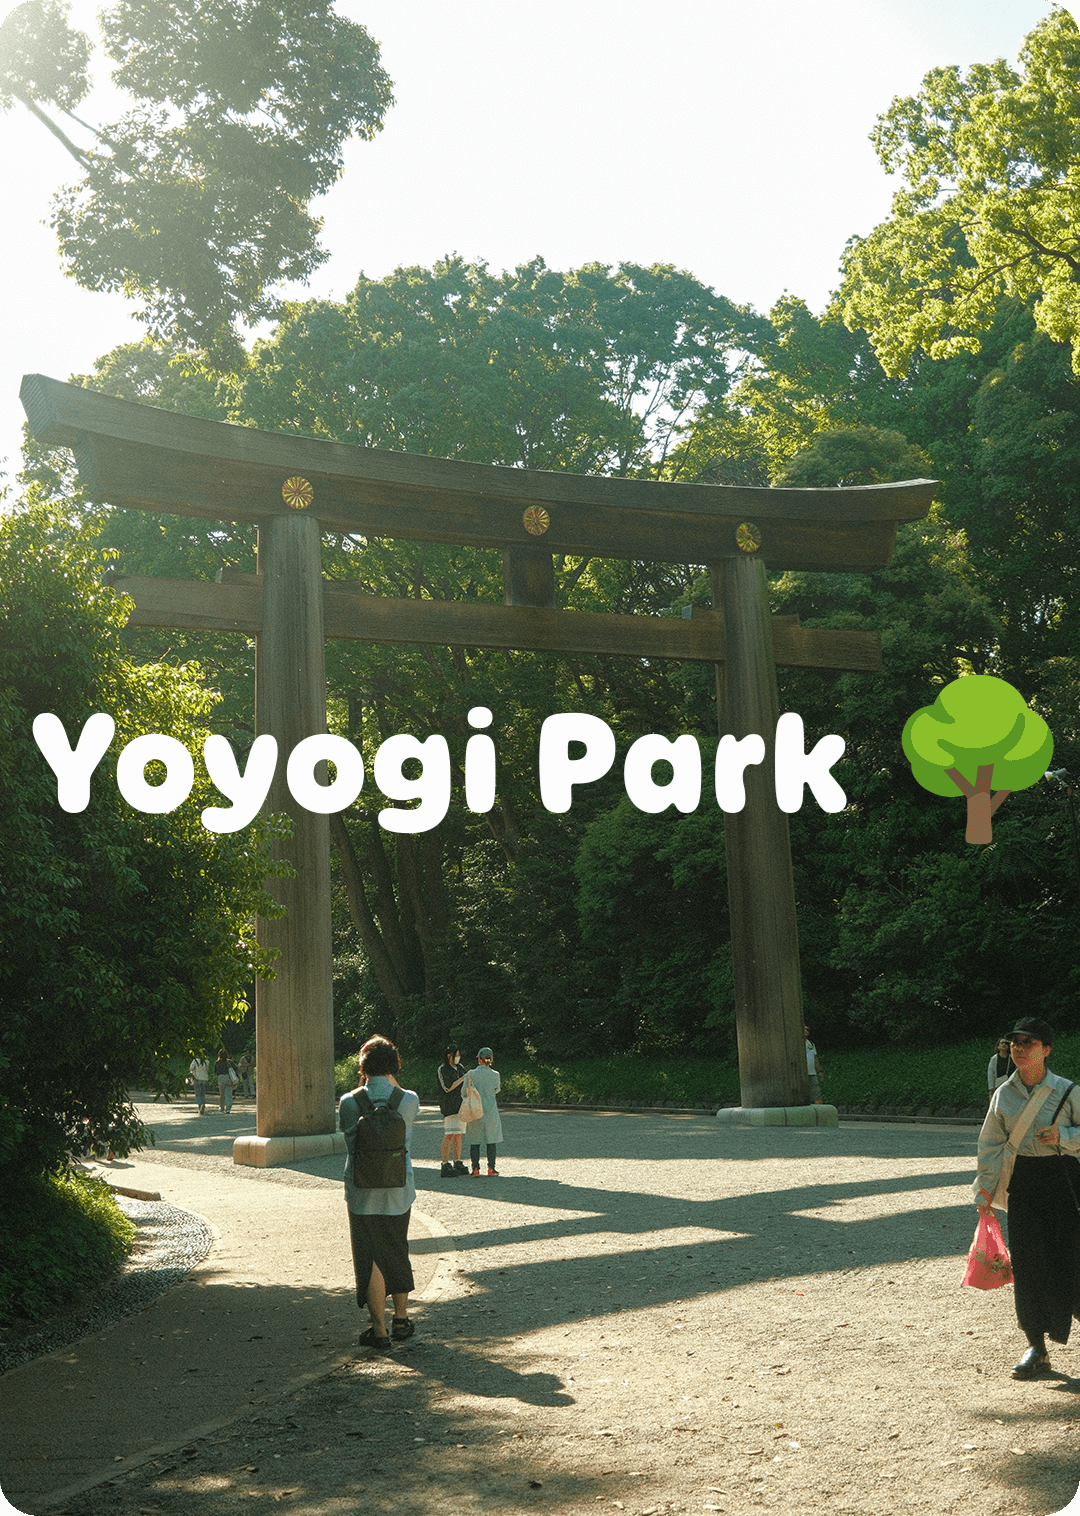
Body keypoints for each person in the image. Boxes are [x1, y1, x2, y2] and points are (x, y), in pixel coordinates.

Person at [974, 1016, 1080, 1379]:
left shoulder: (1068, 1091)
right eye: (1015, 1043)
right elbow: (991, 1142)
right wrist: (985, 1189)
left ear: (1046, 1050)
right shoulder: (1004, 1092)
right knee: (1030, 1267)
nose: (1019, 1048)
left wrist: (1064, 1136)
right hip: (1023, 1187)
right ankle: (1036, 1345)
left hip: (1065, 1184)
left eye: (1028, 1043)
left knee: (1072, 1262)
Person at [338, 1035, 420, 1352]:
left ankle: (379, 1330)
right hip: (399, 1188)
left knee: (370, 1257)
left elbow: (350, 1145)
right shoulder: (408, 1100)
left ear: (363, 1065)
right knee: (397, 1249)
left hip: (361, 1192)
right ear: (394, 1065)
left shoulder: (349, 1102)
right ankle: (401, 1319)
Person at [465, 1046, 503, 1176]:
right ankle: (491, 1168)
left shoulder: (470, 1074)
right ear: (491, 1060)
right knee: (491, 1140)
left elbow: (463, 1092)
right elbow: (497, 1089)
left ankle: (475, 1168)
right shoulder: (495, 1075)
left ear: (479, 1060)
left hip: (475, 1111)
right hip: (490, 1111)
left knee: (474, 1140)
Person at [437, 1045, 468, 1178]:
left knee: (459, 1134)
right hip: (449, 1105)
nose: (457, 1057)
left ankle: (457, 1160)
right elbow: (447, 1087)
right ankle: (445, 1163)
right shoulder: (442, 1069)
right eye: (455, 1054)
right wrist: (462, 1079)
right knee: (449, 1134)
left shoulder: (460, 1067)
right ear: (449, 1056)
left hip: (461, 1105)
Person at [804, 1025, 824, 1104]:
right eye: (804, 1029)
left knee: (816, 1094)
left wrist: (820, 1071)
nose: (806, 1031)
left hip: (812, 1073)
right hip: (801, 1074)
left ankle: (821, 1113)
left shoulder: (811, 1044)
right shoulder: (796, 1043)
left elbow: (815, 1058)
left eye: (807, 1029)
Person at [214, 1047, 234, 1113]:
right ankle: (228, 1108)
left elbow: (215, 1071)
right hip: (228, 1077)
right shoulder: (229, 1062)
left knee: (222, 1093)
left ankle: (221, 1107)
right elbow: (236, 1067)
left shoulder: (217, 1062)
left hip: (221, 1077)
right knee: (228, 1093)